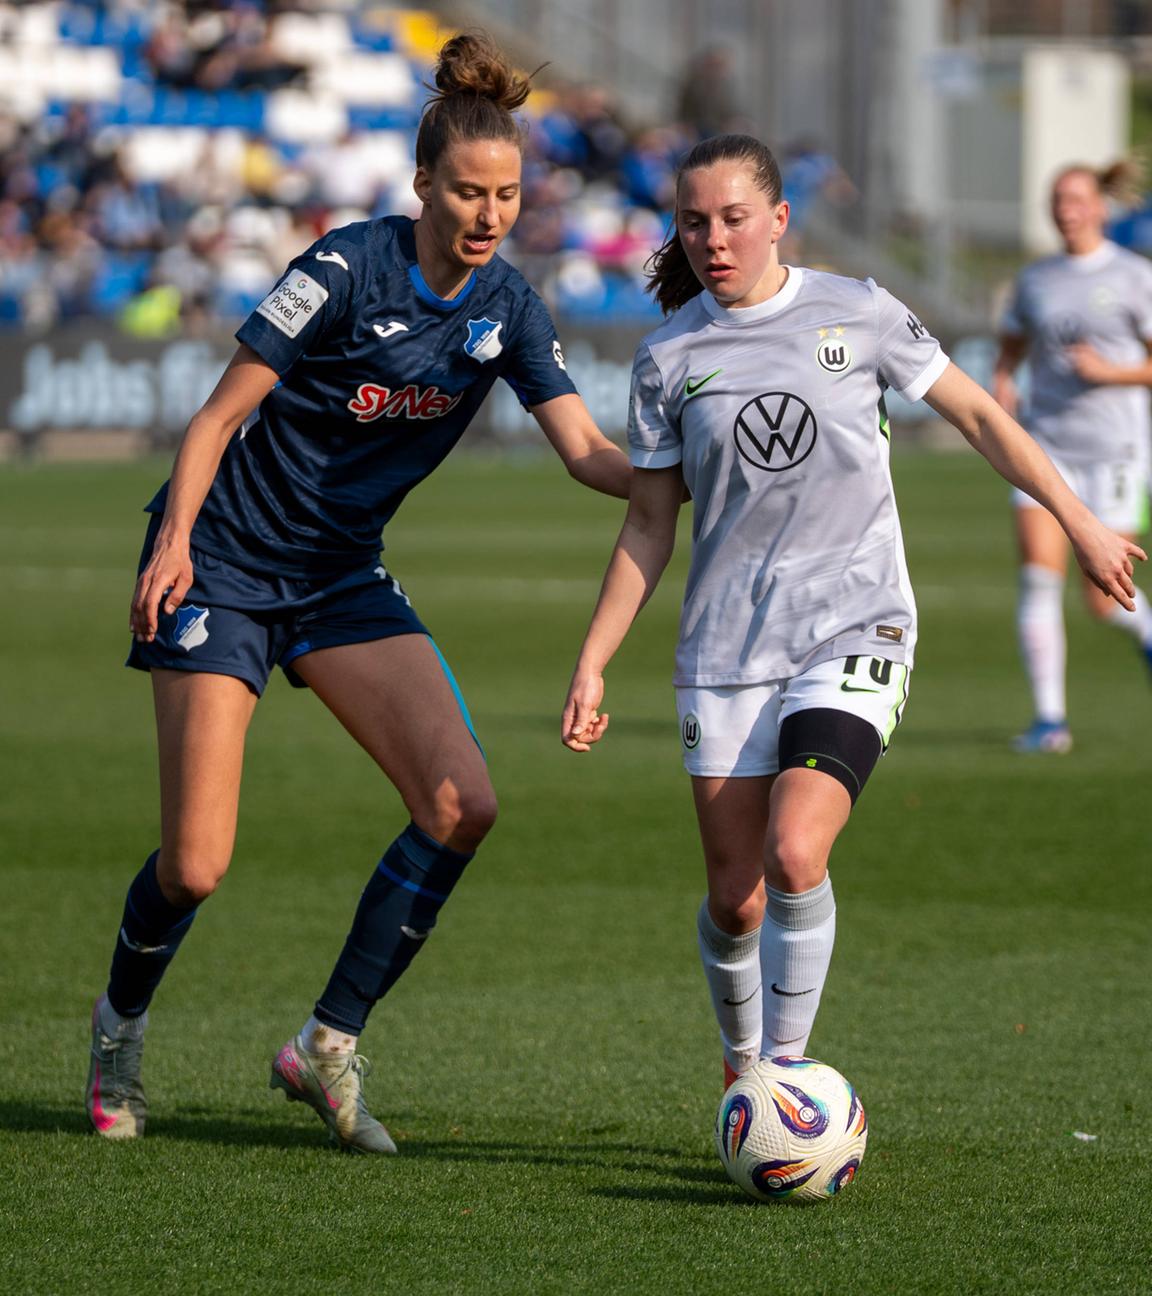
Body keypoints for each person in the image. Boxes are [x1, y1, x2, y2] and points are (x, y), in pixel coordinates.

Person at [86, 32, 631, 1153]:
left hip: (339, 577)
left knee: (462, 805)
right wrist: (173, 542)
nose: (490, 215)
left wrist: (697, 471)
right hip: (226, 564)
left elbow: (585, 452)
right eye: (470, 193)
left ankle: (327, 1045)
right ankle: (117, 1028)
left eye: (510, 196)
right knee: (195, 865)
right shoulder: (343, 268)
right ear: (423, 184)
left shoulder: (511, 309)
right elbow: (215, 417)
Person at [560, 135, 1143, 1085]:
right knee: (736, 898)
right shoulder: (668, 358)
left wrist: (1077, 519)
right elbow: (649, 525)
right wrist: (593, 660)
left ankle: (783, 1078)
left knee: (796, 852)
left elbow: (983, 416)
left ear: (780, 220)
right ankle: (740, 1060)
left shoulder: (859, 311)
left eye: (736, 219)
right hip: (726, 646)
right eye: (695, 221)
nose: (715, 239)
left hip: (856, 618)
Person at [993, 162, 1152, 753]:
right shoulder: (1036, 280)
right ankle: (1049, 721)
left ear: (1100, 207)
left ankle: (1147, 633)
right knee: (1038, 578)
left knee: (1105, 598)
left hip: (1115, 451)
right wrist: (1004, 381)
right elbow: (1011, 347)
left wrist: (1111, 371)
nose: (1067, 209)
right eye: (1057, 198)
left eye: (1077, 198)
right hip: (1047, 449)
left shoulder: (1134, 276)